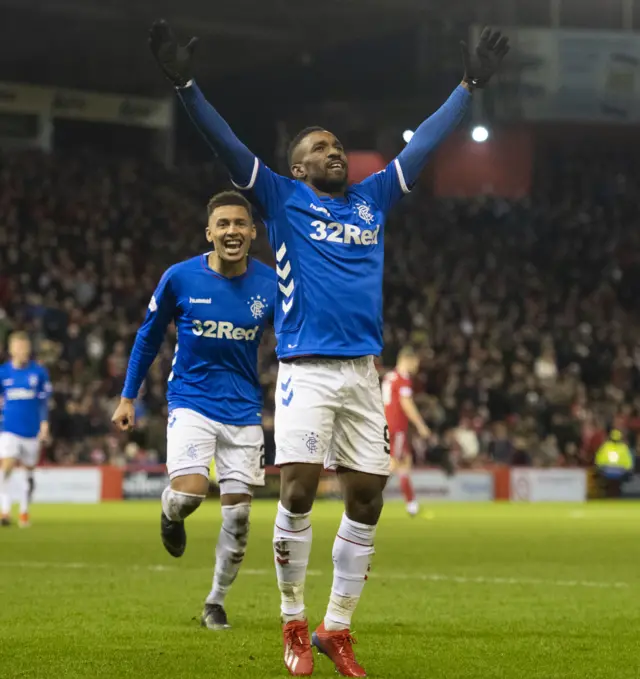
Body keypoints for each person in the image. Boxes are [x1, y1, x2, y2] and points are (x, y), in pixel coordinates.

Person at [149, 20, 508, 677]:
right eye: (321, 148)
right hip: (306, 372)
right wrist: (187, 86)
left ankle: (334, 627)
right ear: (297, 165)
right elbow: (226, 145)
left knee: (369, 496)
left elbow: (425, 143)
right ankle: (291, 617)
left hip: (362, 373)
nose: (335, 153)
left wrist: (468, 85)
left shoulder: (372, 199)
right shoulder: (282, 201)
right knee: (300, 490)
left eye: (339, 146)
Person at [111, 190, 276, 630]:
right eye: (223, 224)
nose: (232, 231)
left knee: (239, 515)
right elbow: (148, 336)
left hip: (243, 408)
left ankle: (215, 601)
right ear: (209, 233)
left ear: (253, 232)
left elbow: (296, 341)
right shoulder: (181, 277)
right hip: (191, 399)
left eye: (240, 224)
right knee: (188, 495)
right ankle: (170, 514)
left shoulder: (270, 284)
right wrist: (128, 396)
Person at [0, 332, 51, 527]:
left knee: (28, 473)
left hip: (31, 430)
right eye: (18, 348)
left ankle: (23, 511)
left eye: (25, 348)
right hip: (8, 429)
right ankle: (4, 511)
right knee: (6, 466)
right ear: (11, 350)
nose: (22, 351)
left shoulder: (38, 373)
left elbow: (44, 402)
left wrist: (44, 425)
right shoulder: (3, 372)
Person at [382, 346, 430, 516]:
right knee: (394, 464)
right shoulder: (403, 378)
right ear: (407, 360)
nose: (417, 365)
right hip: (397, 427)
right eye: (415, 361)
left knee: (403, 462)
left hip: (387, 425)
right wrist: (421, 425)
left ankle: (411, 503)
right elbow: (406, 403)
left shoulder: (389, 377)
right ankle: (368, 496)